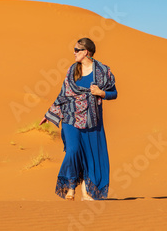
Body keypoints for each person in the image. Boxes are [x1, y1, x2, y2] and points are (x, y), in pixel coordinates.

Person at [40, 37, 117, 201]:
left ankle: (84, 193)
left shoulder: (103, 72)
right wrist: (50, 113)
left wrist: (101, 93)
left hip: (92, 119)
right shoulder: (71, 70)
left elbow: (114, 93)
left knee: (88, 154)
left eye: (77, 50)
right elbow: (63, 95)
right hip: (70, 116)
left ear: (86, 52)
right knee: (73, 150)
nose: (73, 53)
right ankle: (70, 185)